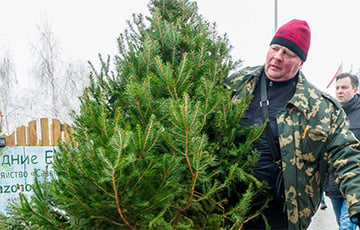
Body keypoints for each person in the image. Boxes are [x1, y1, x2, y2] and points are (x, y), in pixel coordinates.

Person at [224, 19, 360, 229]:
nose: (277, 57)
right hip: (226, 208)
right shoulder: (236, 85)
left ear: (301, 62)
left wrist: (357, 203)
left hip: (283, 216)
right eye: (275, 48)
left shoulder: (321, 107)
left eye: (288, 53)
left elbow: (346, 154)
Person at [324, 72, 360, 230]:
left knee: (346, 226)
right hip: (334, 183)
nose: (339, 91)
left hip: (356, 182)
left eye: (344, 87)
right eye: (337, 87)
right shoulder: (329, 114)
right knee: (342, 223)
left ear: (355, 89)